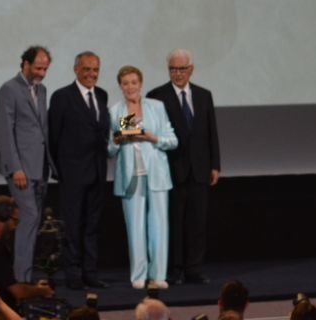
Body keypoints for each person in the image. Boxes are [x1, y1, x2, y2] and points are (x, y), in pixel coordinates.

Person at [147, 48, 220, 284]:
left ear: (191, 70)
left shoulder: (203, 95)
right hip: (171, 170)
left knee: (197, 222)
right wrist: (121, 132)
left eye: (181, 69)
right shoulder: (156, 95)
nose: (177, 74)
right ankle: (174, 269)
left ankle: (194, 269)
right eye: (173, 69)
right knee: (174, 222)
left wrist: (215, 165)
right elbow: (134, 122)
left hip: (200, 169)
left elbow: (211, 133)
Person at [108, 65, 176, 289]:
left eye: (133, 82)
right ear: (120, 86)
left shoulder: (156, 107)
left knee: (159, 224)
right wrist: (116, 141)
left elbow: (172, 140)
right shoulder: (116, 111)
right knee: (135, 227)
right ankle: (138, 275)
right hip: (130, 173)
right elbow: (110, 149)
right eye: (125, 83)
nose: (130, 87)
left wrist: (151, 137)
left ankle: (159, 275)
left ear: (140, 84)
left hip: (156, 172)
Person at [48, 51, 110, 289]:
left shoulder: (103, 95)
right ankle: (73, 276)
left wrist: (133, 127)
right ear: (76, 69)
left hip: (97, 171)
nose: (91, 74)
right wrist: (58, 169)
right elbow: (53, 135)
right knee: (72, 226)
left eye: (95, 70)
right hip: (72, 174)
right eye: (86, 69)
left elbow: (111, 127)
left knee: (92, 225)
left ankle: (90, 273)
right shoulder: (62, 96)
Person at [0, 46, 54, 282]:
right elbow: (5, 132)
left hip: (40, 167)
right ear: (25, 64)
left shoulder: (42, 90)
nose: (41, 73)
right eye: (38, 68)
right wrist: (16, 167)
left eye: (45, 69)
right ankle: (21, 280)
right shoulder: (9, 90)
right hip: (20, 169)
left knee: (33, 221)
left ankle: (24, 275)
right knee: (29, 217)